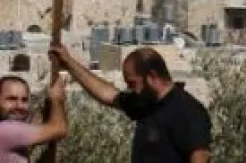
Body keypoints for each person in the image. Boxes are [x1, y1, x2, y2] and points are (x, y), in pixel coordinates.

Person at [50, 44, 210, 163]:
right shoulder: (145, 103)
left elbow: (199, 157)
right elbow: (108, 94)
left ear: (152, 76)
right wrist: (69, 63)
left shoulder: (187, 110)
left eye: (133, 83)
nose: (131, 89)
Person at [0, 72, 68, 162]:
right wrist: (56, 98)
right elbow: (60, 129)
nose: (19, 106)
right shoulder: (6, 130)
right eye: (11, 99)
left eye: (24, 100)